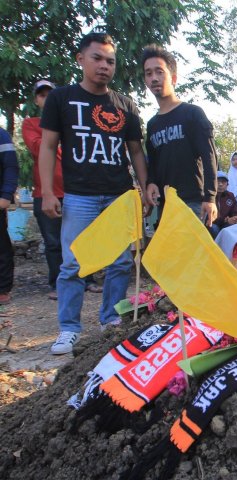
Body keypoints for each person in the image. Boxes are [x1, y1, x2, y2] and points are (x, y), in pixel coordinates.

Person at [39, 32, 151, 354]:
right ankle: (69, 329)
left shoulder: (125, 106)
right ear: (81, 59)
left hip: (118, 196)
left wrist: (144, 189)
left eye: (110, 61)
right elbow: (47, 147)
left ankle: (110, 322)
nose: (104, 66)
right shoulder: (61, 99)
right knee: (74, 263)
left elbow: (136, 152)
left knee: (118, 263)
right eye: (97, 58)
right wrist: (48, 192)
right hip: (79, 196)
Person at [22, 81, 103, 299]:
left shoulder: (71, 122)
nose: (46, 98)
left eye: (51, 94)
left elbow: (83, 148)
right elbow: (40, 147)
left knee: (84, 239)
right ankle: (58, 284)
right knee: (54, 242)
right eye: (41, 95)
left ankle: (88, 279)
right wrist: (57, 140)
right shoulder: (31, 124)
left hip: (76, 192)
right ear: (36, 100)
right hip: (46, 193)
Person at [142, 45, 217, 226]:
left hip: (192, 203)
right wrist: (151, 183)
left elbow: (209, 156)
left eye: (159, 72)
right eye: (148, 73)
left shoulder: (192, 114)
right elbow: (153, 164)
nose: (154, 78)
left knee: (193, 255)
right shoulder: (152, 125)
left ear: (173, 77)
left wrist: (210, 197)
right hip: (165, 206)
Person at [0, 127, 19, 305]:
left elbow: (10, 166)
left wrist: (6, 195)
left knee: (1, 246)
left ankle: (2, 288)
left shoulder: (1, 135)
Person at [210, 171, 237, 238]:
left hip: (226, 224)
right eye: (217, 181)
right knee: (214, 228)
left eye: (223, 182)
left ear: (227, 184)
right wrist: (226, 220)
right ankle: (217, 248)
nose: (220, 184)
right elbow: (208, 218)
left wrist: (236, 218)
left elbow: (236, 211)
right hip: (212, 224)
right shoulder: (208, 196)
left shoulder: (230, 195)